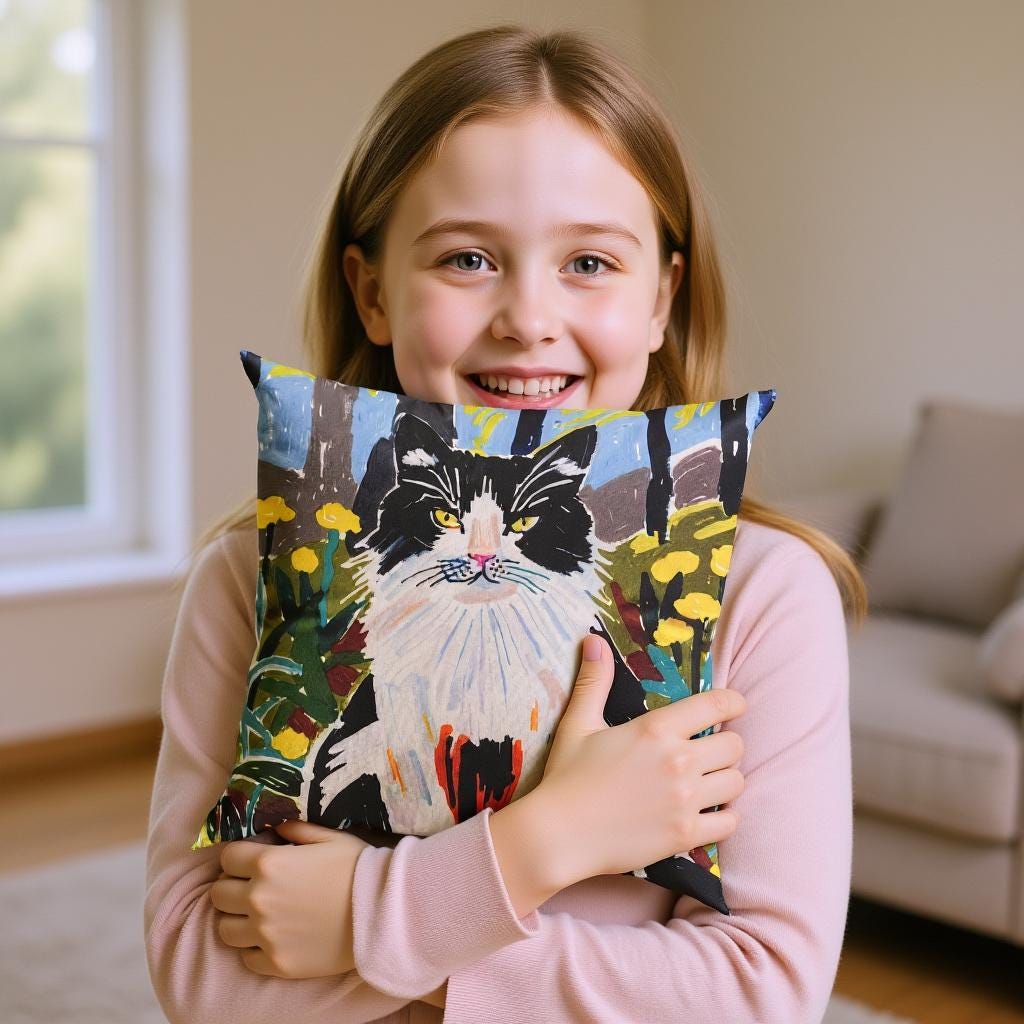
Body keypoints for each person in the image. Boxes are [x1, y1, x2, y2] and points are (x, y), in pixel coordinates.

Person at [144, 23, 866, 1024]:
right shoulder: (247, 575)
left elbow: (757, 995)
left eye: (588, 263)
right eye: (469, 257)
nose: (528, 316)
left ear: (661, 297)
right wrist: (542, 849)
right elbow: (200, 976)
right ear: (373, 292)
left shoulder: (763, 591)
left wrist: (369, 917)